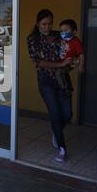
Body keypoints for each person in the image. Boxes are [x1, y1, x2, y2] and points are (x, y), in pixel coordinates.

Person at [27, 9, 72, 162]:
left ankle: (56, 130)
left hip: (62, 80)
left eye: (50, 23)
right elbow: (38, 63)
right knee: (54, 113)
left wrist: (73, 60)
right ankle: (62, 148)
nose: (47, 27)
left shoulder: (59, 36)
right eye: (44, 24)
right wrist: (60, 64)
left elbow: (69, 51)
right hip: (46, 81)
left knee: (67, 114)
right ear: (38, 24)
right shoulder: (32, 39)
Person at [55, 19, 85, 94]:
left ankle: (64, 88)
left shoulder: (76, 41)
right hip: (62, 61)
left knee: (59, 72)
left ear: (74, 31)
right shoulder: (63, 39)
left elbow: (81, 54)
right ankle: (66, 87)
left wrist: (81, 65)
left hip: (70, 62)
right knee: (62, 73)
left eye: (66, 30)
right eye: (62, 31)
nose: (63, 33)